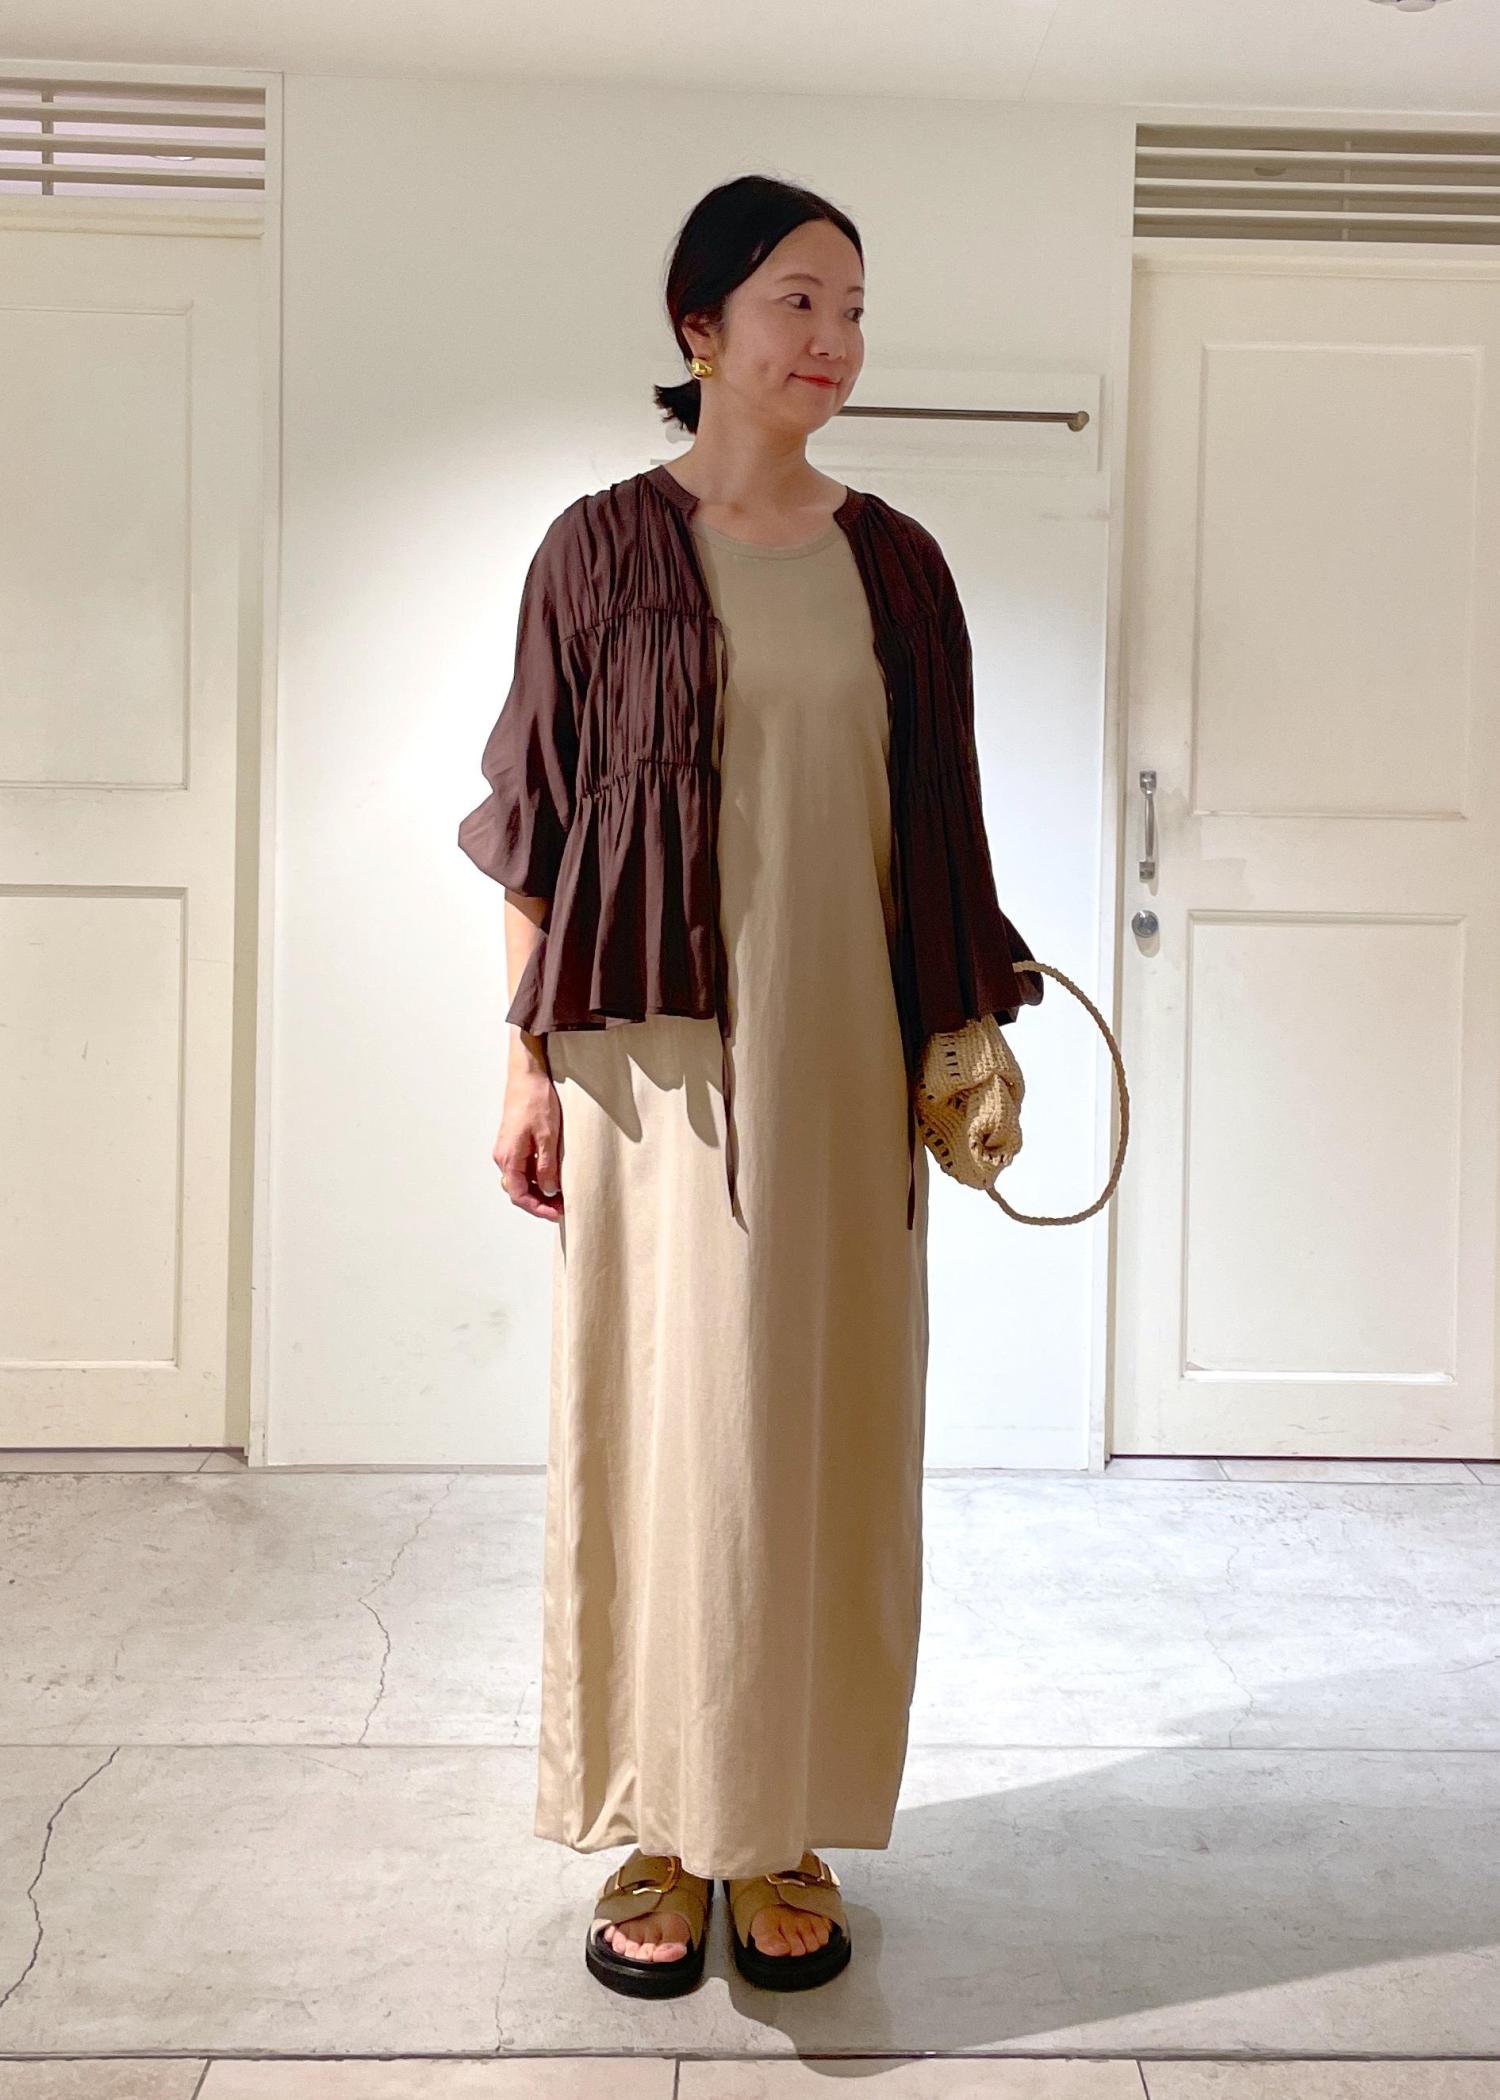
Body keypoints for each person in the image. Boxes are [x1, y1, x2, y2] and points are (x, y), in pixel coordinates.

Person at [458, 173, 1041, 1999]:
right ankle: (659, 1814)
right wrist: (523, 1067)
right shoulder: (595, 552)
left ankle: (781, 1819)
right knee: (659, 1432)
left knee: (825, 1437)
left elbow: (940, 826)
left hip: (843, 1061)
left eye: (853, 309)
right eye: (800, 300)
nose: (835, 340)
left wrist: (965, 1027)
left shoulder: (900, 565)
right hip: (652, 1072)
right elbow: (536, 831)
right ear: (698, 326)